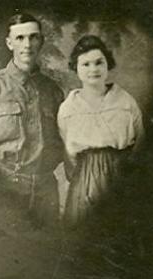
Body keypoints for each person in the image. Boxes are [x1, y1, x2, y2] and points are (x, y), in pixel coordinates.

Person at [0, 12, 64, 225]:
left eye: (33, 37)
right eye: (20, 38)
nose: (27, 45)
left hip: (45, 189)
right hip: (6, 187)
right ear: (9, 43)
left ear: (41, 41)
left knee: (47, 251)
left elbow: (64, 139)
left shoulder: (53, 90)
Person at [57, 35, 144, 224]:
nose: (93, 69)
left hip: (120, 177)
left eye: (99, 63)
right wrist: (84, 176)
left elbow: (140, 142)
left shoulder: (126, 102)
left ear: (107, 65)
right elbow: (68, 152)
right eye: (85, 64)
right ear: (76, 68)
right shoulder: (68, 109)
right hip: (83, 181)